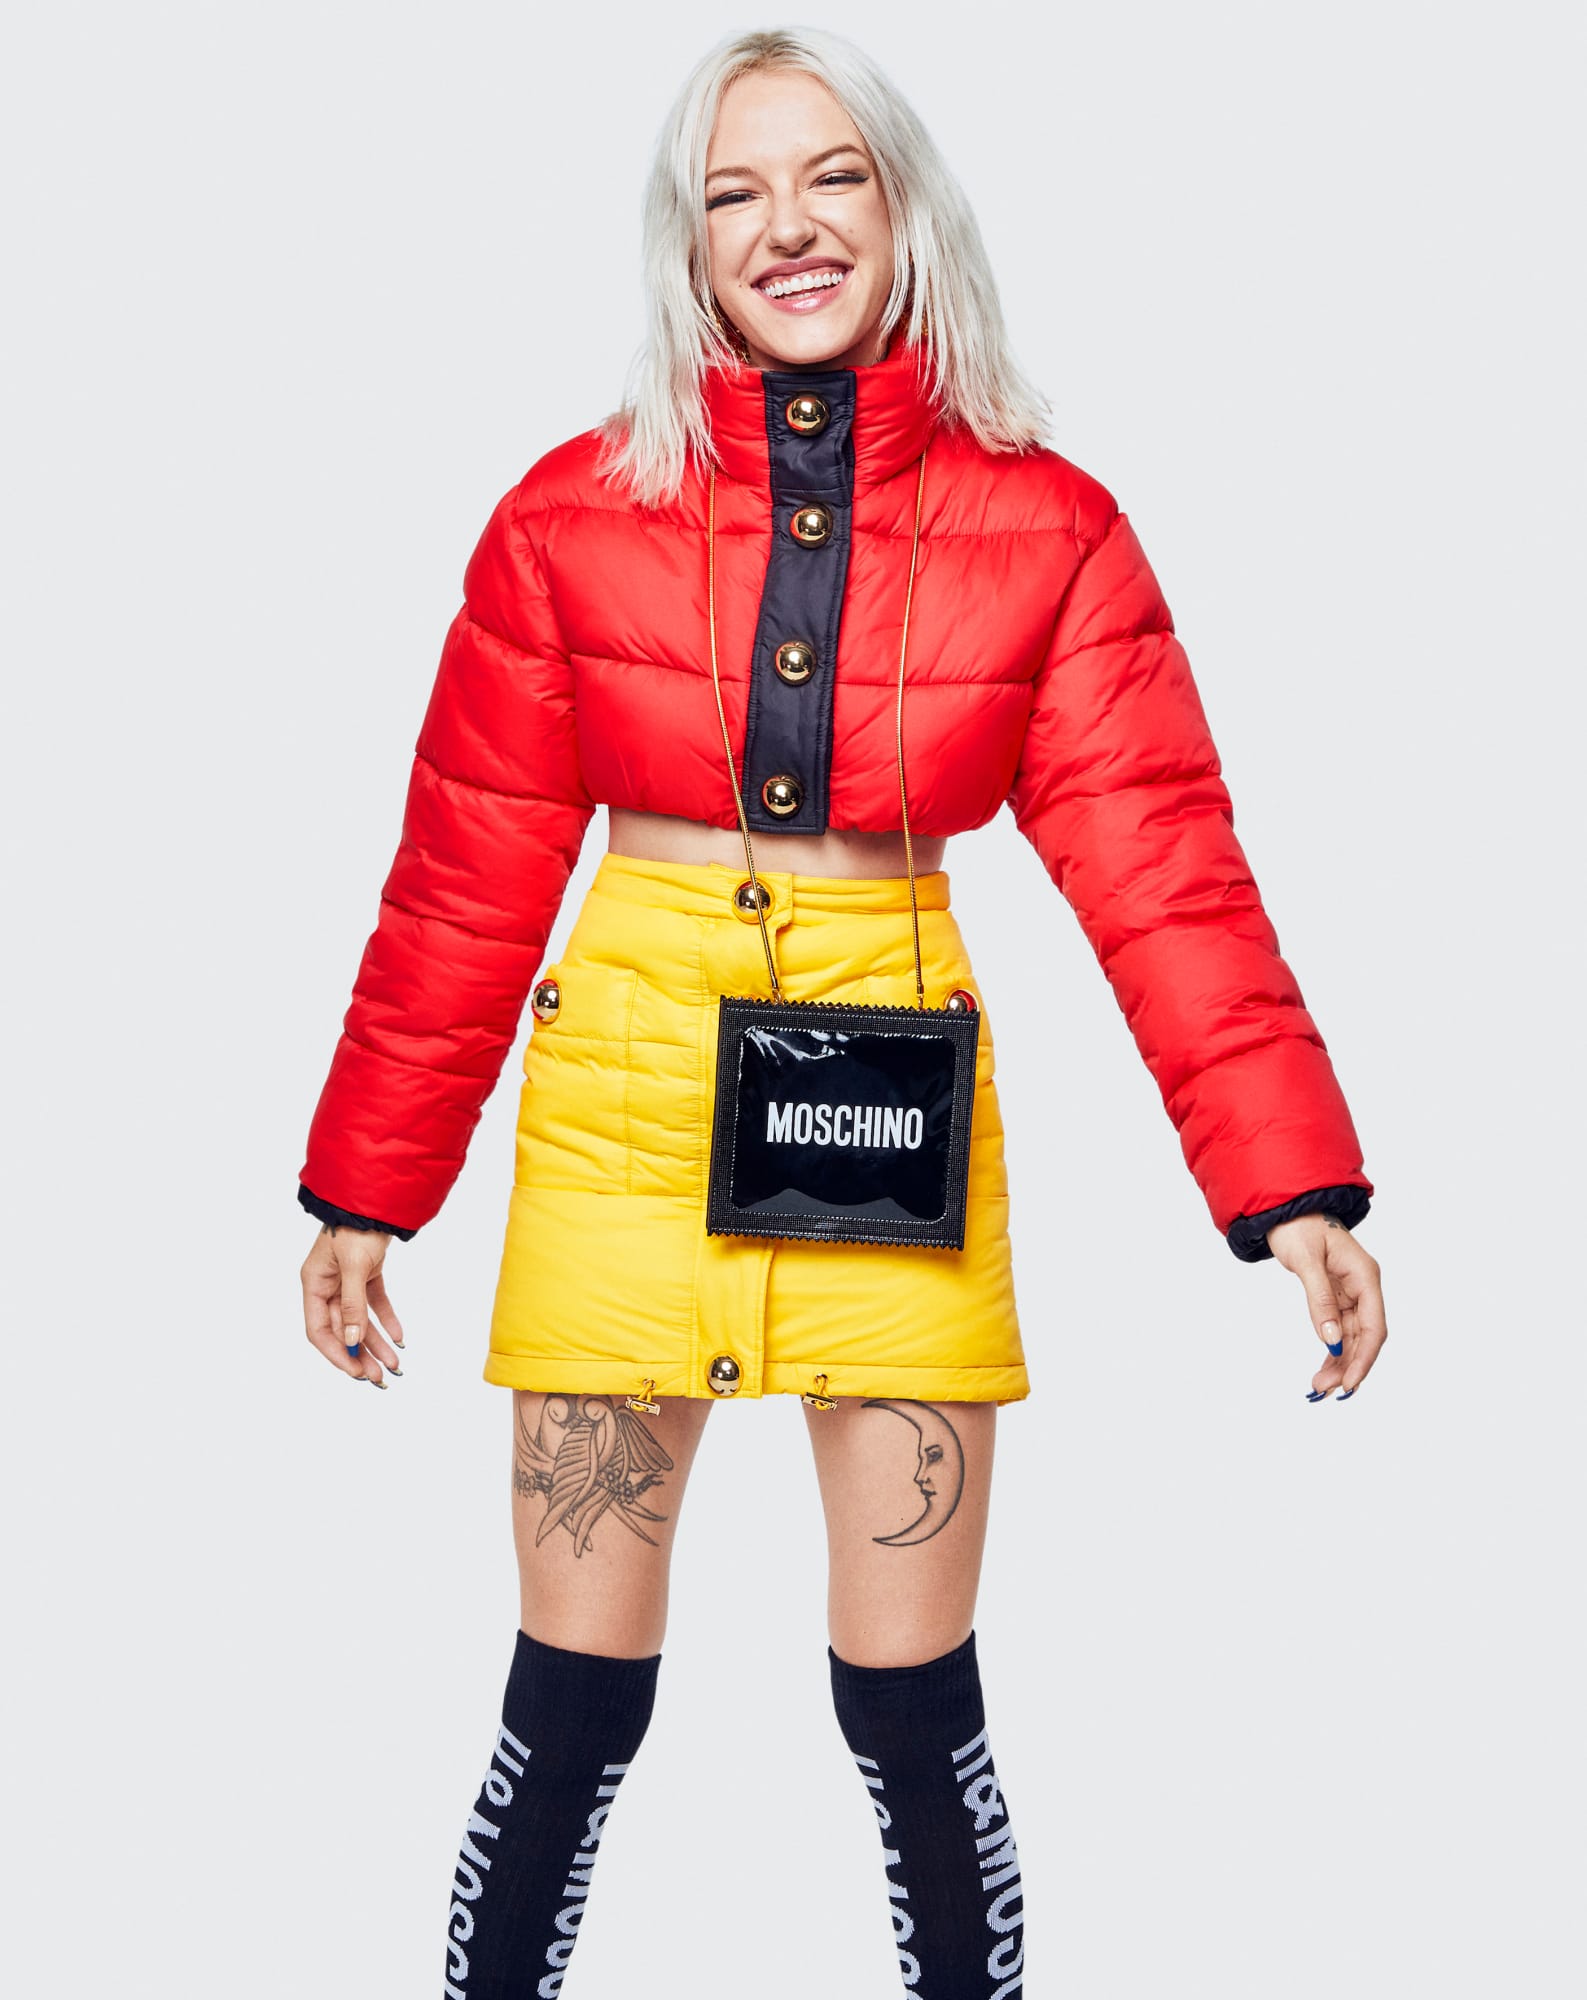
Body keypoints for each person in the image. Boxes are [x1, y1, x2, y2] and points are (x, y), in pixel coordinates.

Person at [296, 26, 1388, 1998]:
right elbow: (462, 874)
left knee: (913, 1702)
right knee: (569, 1699)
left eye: (829, 178)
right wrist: (368, 1187)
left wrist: (1291, 1180)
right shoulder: (565, 517)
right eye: (732, 192)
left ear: (904, 204)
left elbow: (1163, 868)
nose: (784, 227)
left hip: (893, 1096)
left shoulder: (1054, 529)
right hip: (624, 1099)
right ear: (683, 242)